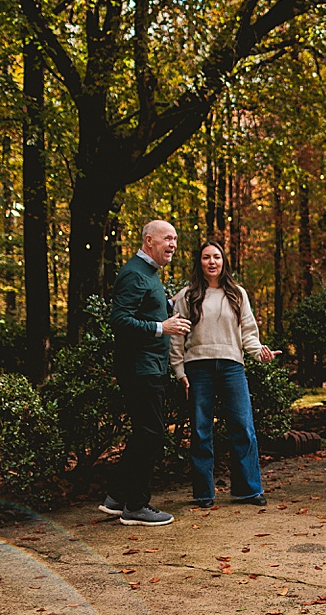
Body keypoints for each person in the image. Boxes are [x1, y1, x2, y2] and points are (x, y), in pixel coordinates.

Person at [170, 242, 276, 509]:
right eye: (206, 257)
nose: (212, 262)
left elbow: (248, 333)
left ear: (224, 261)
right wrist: (179, 371)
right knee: (201, 430)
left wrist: (258, 352)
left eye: (216, 257)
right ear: (200, 262)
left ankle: (249, 490)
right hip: (198, 368)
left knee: (243, 427)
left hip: (231, 366)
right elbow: (176, 339)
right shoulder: (187, 295)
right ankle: (204, 493)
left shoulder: (237, 294)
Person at [100, 220, 189, 527]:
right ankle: (136, 506)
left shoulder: (149, 273)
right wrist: (160, 327)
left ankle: (116, 498)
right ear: (149, 241)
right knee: (152, 435)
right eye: (168, 238)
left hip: (148, 366)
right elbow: (120, 321)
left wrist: (166, 305)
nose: (173, 244)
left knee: (144, 434)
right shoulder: (135, 272)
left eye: (175, 239)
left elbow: (143, 307)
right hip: (140, 369)